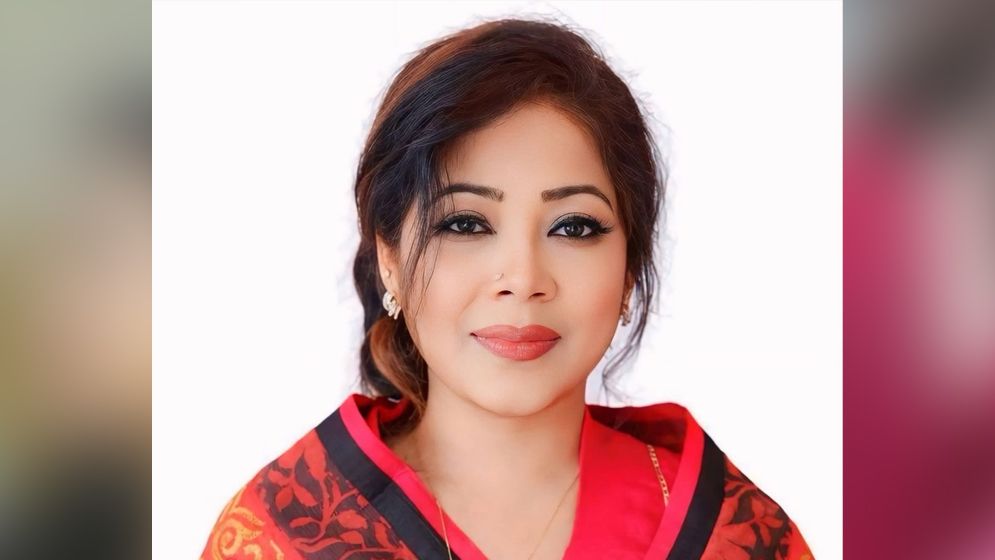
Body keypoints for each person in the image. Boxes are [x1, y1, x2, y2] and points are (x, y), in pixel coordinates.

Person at [199, 18, 813, 560]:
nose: (522, 279)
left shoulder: (733, 537)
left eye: (574, 227)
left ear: (630, 267)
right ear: (390, 259)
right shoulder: (283, 537)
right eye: (465, 224)